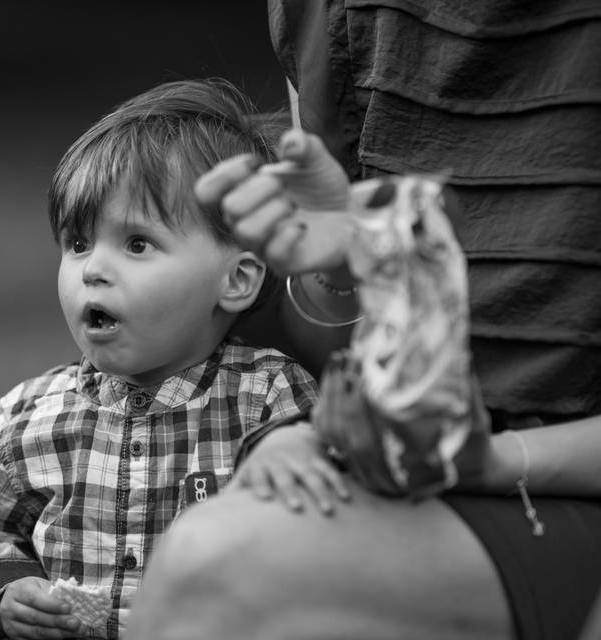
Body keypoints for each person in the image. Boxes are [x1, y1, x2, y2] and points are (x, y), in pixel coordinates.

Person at [126, 2, 601, 639]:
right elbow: (343, 329)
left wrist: (491, 460)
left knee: (217, 573)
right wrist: (342, 269)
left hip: (551, 473)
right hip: (436, 470)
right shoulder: (326, 11)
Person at [0, 78, 338, 640]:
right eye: (77, 243)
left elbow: (327, 534)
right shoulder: (30, 416)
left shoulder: (268, 401)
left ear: (237, 279)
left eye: (137, 244)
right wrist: (4, 594)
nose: (92, 269)